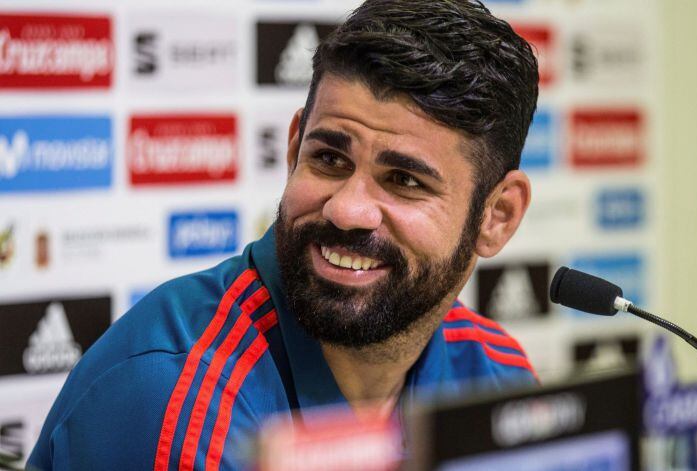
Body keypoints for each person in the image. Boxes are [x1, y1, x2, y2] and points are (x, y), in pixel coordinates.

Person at [28, 0, 539, 469]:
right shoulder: (178, 402)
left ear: (497, 216)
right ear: (294, 147)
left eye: (404, 181)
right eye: (329, 159)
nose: (346, 211)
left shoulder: (495, 370)